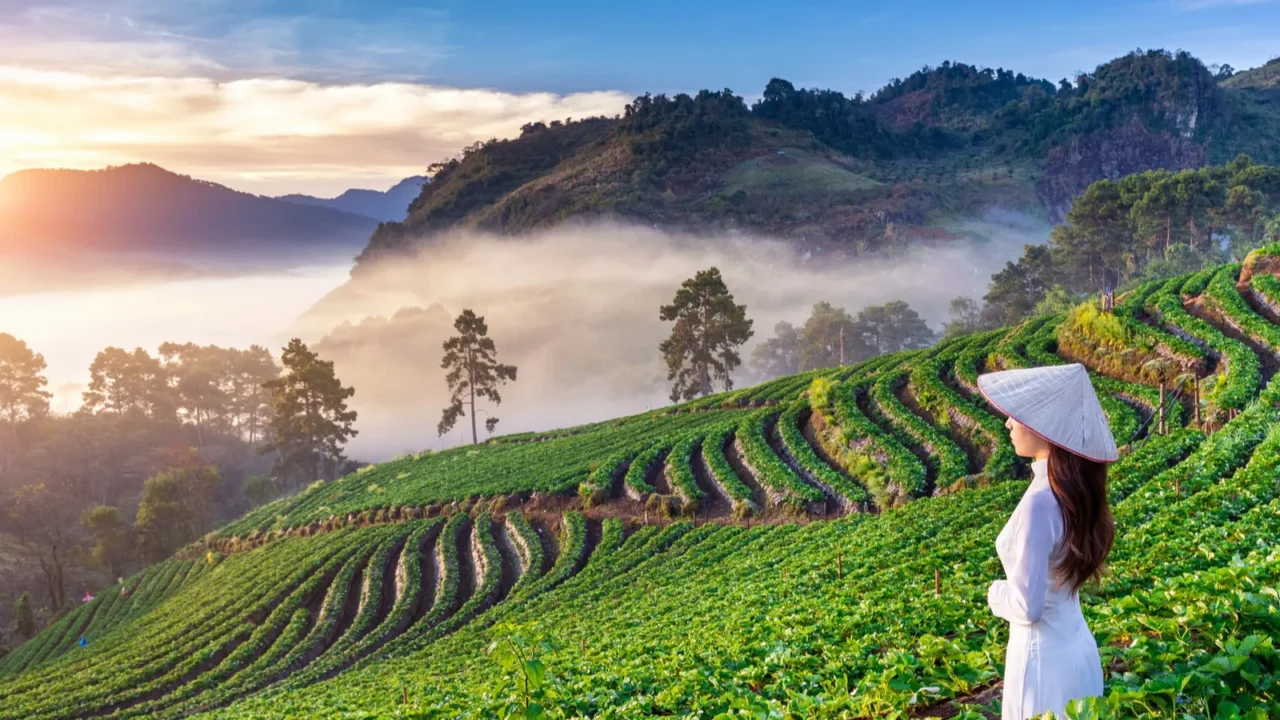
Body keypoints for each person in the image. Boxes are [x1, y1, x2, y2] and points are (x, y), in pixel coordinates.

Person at [977, 363, 1118, 719]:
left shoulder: (1040, 502)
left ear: (1046, 427)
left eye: (1017, 416)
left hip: (1043, 664)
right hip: (1077, 652)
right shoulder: (1070, 492)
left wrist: (994, 593)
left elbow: (1028, 607)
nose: (1008, 424)